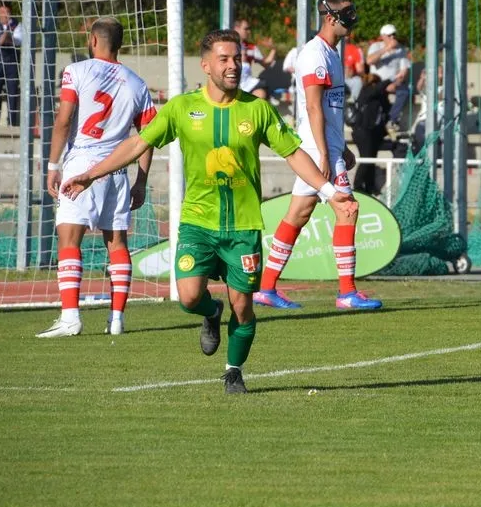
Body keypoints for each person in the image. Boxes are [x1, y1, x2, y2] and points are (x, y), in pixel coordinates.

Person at [60, 28, 356, 393]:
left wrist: (329, 191)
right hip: (197, 224)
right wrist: (89, 174)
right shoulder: (182, 108)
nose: (233, 66)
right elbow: (137, 142)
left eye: (237, 58)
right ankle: (210, 312)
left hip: (243, 226)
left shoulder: (257, 109)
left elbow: (294, 153)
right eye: (224, 59)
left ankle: (233, 371)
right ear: (206, 65)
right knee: (187, 297)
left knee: (244, 307)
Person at [255, 0, 381, 311]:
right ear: (329, 17)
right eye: (346, 13)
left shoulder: (333, 53)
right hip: (316, 146)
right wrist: (326, 154)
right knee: (347, 209)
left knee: (298, 214)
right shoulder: (313, 54)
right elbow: (313, 107)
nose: (352, 18)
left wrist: (344, 145)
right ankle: (346, 293)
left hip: (327, 144)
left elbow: (331, 107)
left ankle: (266, 289)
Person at [37, 17, 157, 338]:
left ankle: (70, 317)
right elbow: (148, 137)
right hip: (118, 170)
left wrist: (52, 166)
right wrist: (141, 180)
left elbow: (63, 121)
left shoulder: (77, 71)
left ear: (93, 40)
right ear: (119, 43)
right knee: (117, 243)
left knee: (69, 239)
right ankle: (116, 319)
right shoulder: (137, 83)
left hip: (83, 165)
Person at [350, 73, 390, 194]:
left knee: (371, 159)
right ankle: (357, 186)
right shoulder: (367, 91)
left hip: (373, 133)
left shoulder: (378, 96)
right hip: (362, 131)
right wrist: (390, 79)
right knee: (366, 159)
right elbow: (377, 89)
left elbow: (386, 107)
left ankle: (370, 186)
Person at [367, 23, 411, 133]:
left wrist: (396, 83)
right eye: (390, 35)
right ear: (383, 36)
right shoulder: (375, 47)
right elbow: (369, 61)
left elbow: (404, 71)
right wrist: (387, 49)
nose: (393, 38)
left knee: (405, 91)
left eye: (394, 35)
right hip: (377, 81)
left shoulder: (401, 50)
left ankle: (392, 119)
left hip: (393, 81)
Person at [0, 3, 23, 126]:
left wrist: (7, 37)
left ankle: (12, 123)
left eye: (6, 12)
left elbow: (18, 41)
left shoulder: (17, 25)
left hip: (11, 64)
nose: (4, 15)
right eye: (1, 12)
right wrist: (6, 36)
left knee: (12, 93)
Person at [233, 18, 276, 99]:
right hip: (233, 83)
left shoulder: (252, 47)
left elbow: (266, 64)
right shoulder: (227, 45)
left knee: (260, 94)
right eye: (246, 29)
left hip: (247, 84)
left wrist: (273, 49)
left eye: (249, 29)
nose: (249, 32)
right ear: (236, 28)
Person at [343, 32, 365, 101]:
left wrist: (352, 72)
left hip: (348, 79)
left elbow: (361, 71)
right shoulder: (330, 47)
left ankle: (352, 103)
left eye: (348, 34)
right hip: (333, 78)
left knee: (358, 81)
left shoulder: (356, 49)